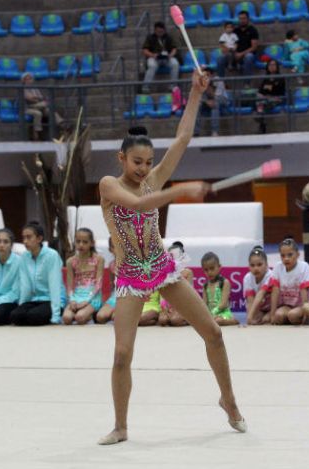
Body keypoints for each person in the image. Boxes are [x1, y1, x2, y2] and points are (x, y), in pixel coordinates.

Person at [97, 71, 245, 445]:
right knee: (121, 354)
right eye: (136, 161)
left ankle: (227, 399)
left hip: (163, 270)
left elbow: (182, 138)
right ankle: (121, 426)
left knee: (212, 332)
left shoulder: (153, 179)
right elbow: (140, 203)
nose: (144, 168)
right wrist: (180, 190)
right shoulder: (109, 185)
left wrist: (195, 93)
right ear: (121, 157)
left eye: (148, 162)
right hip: (131, 276)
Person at [13, 221, 64, 326]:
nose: (25, 241)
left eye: (29, 237)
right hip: (35, 300)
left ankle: (51, 313)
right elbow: (25, 285)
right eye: (24, 238)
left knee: (34, 317)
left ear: (39, 239)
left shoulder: (52, 255)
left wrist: (55, 316)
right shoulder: (24, 257)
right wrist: (22, 306)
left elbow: (55, 286)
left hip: (52, 300)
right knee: (15, 316)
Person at [63, 228, 105, 325]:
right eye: (78, 241)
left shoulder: (99, 259)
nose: (81, 245)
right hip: (77, 296)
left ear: (92, 243)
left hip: (93, 296)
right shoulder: (70, 261)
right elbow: (69, 286)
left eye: (85, 242)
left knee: (79, 317)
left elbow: (98, 284)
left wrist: (86, 301)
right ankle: (85, 313)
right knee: (66, 318)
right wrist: (72, 300)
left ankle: (89, 314)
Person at [271, 237, 309, 325]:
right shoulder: (278, 267)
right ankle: (289, 319)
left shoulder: (304, 267)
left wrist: (306, 312)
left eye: (290, 255)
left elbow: (304, 290)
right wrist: (272, 314)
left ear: (298, 255)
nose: (286, 258)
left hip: (301, 305)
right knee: (278, 316)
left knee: (293, 316)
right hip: (286, 305)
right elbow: (275, 291)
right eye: (283, 255)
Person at [216, 11, 259, 82]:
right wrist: (229, 51)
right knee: (220, 58)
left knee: (249, 57)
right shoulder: (234, 31)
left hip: (246, 54)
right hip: (234, 54)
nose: (242, 20)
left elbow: (254, 47)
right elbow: (225, 43)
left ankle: (247, 84)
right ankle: (221, 84)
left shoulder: (253, 30)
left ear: (248, 19)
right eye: (240, 19)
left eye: (244, 18)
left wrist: (240, 54)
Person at [22, 72, 64, 140]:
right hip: (28, 108)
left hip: (39, 106)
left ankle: (61, 123)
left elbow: (40, 97)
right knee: (40, 110)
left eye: (30, 79)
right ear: (24, 80)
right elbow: (29, 99)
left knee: (48, 111)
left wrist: (36, 98)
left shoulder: (35, 89)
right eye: (27, 79)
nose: (29, 81)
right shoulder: (22, 89)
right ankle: (37, 133)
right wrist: (37, 98)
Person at [201, 252, 239, 326]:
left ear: (219, 267)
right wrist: (205, 315)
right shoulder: (205, 285)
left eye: (212, 268)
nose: (209, 272)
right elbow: (204, 304)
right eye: (206, 270)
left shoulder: (225, 282)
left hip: (223, 312)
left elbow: (223, 304)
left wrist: (213, 313)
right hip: (211, 314)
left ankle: (232, 320)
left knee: (217, 321)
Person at [141, 21, 179, 93]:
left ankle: (173, 86)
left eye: (162, 31)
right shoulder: (150, 38)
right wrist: (152, 55)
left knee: (175, 64)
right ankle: (145, 87)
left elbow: (174, 48)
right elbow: (145, 50)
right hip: (154, 58)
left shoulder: (168, 37)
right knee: (152, 66)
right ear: (155, 30)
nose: (160, 33)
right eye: (158, 31)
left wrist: (170, 55)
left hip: (167, 58)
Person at [243, 246, 276, 325]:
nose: (256, 268)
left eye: (259, 265)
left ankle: (268, 317)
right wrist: (250, 318)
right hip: (260, 309)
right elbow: (250, 300)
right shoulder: (247, 278)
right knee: (254, 317)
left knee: (266, 319)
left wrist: (250, 317)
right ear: (249, 266)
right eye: (252, 265)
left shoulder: (271, 275)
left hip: (272, 308)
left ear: (266, 265)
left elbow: (260, 294)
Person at [255, 59, 286, 134]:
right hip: (265, 98)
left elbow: (278, 91)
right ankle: (261, 122)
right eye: (270, 65)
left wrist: (269, 90)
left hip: (277, 98)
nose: (272, 67)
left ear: (277, 67)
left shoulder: (281, 78)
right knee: (261, 100)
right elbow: (261, 90)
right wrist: (267, 91)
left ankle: (261, 122)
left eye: (274, 65)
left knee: (264, 102)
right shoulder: (265, 78)